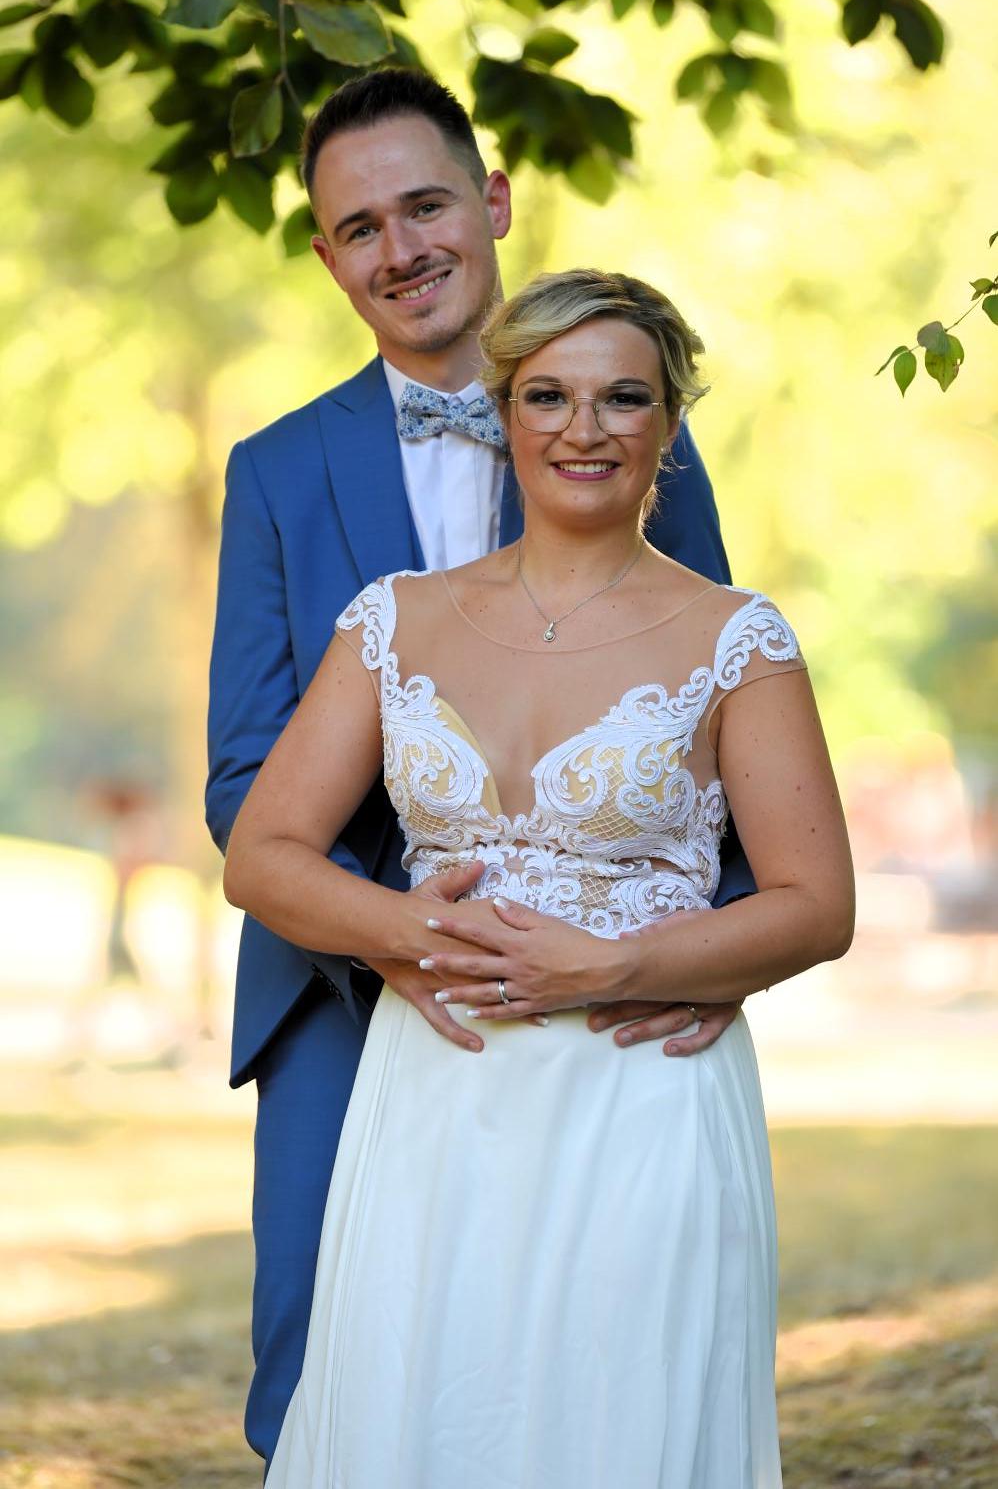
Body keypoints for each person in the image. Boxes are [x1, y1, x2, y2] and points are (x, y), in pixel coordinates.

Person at [223, 267, 855, 1485]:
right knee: (420, 1412)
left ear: (667, 423)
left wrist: (621, 962)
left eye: (623, 397)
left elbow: (816, 906)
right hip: (433, 1093)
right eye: (549, 395)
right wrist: (407, 935)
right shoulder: (392, 620)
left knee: (614, 1422)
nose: (583, 428)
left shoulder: (737, 637)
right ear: (502, 412)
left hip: (638, 1090)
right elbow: (264, 854)